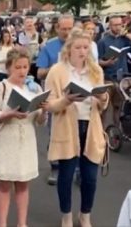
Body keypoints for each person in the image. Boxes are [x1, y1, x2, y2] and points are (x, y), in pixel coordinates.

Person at [45, 28, 109, 227]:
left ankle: (85, 215)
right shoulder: (57, 71)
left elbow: (103, 104)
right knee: (66, 175)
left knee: (90, 177)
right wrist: (66, 100)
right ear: (69, 49)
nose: (82, 51)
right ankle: (66, 215)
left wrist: (102, 97)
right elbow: (49, 105)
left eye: (86, 47)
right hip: (67, 127)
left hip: (91, 127)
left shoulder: (96, 70)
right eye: (78, 47)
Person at [0, 47, 47, 227]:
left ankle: (22, 224)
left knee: (23, 185)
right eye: (18, 67)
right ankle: (2, 223)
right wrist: (9, 114)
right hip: (6, 139)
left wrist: (44, 109)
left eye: (25, 67)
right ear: (9, 68)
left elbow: (40, 121)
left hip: (26, 141)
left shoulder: (35, 87)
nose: (22, 71)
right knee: (4, 184)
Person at [36, 14, 74, 186]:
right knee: (55, 133)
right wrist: (56, 67)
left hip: (75, 96)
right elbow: (39, 73)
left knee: (77, 132)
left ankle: (77, 168)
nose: (67, 32)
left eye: (70, 28)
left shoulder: (79, 46)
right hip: (55, 96)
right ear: (57, 28)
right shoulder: (49, 47)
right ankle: (55, 167)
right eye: (64, 28)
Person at [98, 15, 131, 128]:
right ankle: (103, 132)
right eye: (115, 25)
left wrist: (126, 34)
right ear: (110, 25)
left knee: (119, 106)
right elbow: (97, 61)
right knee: (105, 107)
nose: (118, 27)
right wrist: (106, 63)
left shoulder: (125, 39)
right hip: (108, 78)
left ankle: (117, 132)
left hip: (121, 78)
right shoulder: (103, 41)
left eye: (120, 25)